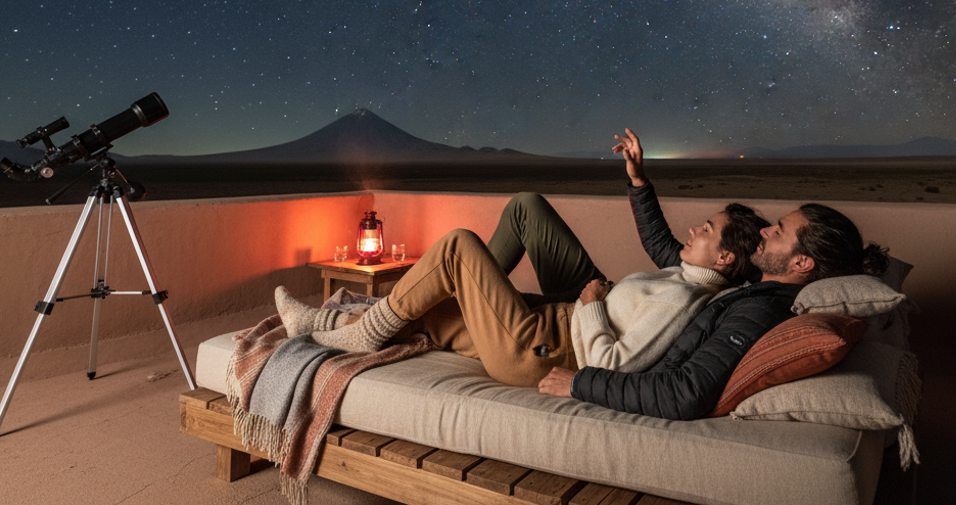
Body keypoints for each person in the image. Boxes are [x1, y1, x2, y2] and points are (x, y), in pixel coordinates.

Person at [273, 130, 771, 387]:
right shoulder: (686, 271)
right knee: (525, 206)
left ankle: (358, 332)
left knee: (455, 247)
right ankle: (326, 322)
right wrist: (639, 178)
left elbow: (610, 363)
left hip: (548, 345)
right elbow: (662, 241)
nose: (693, 229)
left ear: (725, 258)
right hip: (563, 313)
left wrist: (595, 302)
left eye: (706, 229)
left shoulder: (685, 298)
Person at [537, 129, 891, 419]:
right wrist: (639, 181)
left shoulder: (760, 310)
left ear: (802, 264)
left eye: (779, 231)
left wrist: (578, 384)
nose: (765, 233)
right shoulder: (756, 285)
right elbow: (669, 250)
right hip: (597, 311)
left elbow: (685, 393)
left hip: (595, 344)